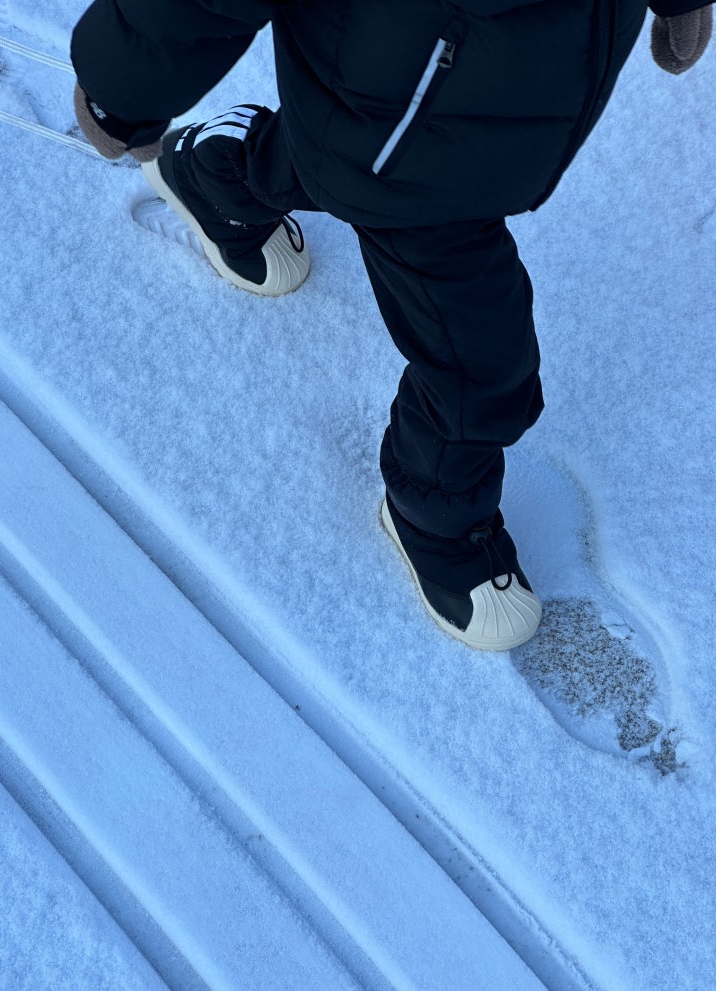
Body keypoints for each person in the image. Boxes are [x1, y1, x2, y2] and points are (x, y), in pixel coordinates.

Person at [70, 0, 712, 651]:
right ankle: (435, 514)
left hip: (466, 106)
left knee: (328, 157)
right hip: (403, 130)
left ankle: (216, 173)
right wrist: (122, 83)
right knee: (480, 367)